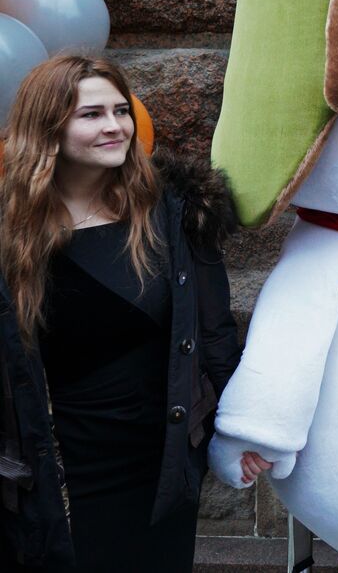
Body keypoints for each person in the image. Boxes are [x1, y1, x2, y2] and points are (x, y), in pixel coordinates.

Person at [0, 55, 241, 572]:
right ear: (48, 126)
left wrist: (243, 428)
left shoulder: (174, 211)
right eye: (91, 114)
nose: (115, 126)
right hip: (55, 474)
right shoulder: (10, 232)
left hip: (160, 466)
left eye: (121, 110)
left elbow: (216, 333)